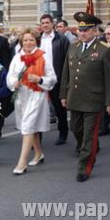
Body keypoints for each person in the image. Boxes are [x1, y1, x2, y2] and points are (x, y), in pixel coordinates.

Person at [60, 12, 110, 182]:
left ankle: (84, 167)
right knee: (75, 129)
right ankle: (93, 146)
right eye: (80, 30)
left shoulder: (104, 50)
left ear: (94, 31)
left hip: (94, 100)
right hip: (75, 97)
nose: (82, 33)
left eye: (86, 30)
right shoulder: (73, 47)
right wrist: (63, 94)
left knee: (88, 135)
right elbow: (66, 72)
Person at [7, 28, 57, 175]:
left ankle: (22, 162)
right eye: (25, 40)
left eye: (31, 40)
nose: (28, 43)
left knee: (28, 125)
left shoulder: (43, 57)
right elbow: (10, 76)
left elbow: (52, 78)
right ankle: (38, 154)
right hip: (22, 96)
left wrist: (39, 79)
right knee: (28, 126)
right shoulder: (17, 57)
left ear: (36, 41)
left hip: (37, 94)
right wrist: (14, 83)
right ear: (21, 42)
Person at [39, 14, 70, 145]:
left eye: (47, 22)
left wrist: (65, 79)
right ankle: (36, 139)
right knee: (38, 109)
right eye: (43, 23)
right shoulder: (37, 39)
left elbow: (68, 61)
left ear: (52, 24)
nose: (45, 25)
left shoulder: (61, 39)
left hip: (56, 79)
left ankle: (63, 132)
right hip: (40, 79)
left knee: (59, 108)